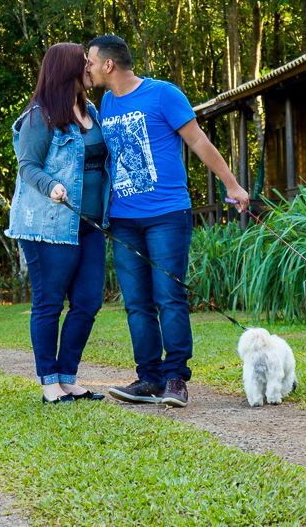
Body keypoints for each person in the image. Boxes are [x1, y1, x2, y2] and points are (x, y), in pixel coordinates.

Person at [85, 34, 249, 407]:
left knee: (169, 297)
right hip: (123, 219)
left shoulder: (164, 94)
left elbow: (198, 141)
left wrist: (233, 185)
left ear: (108, 64)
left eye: (90, 62)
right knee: (136, 303)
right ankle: (149, 380)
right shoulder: (106, 103)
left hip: (166, 216)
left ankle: (176, 379)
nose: (88, 68)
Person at [6, 43, 112, 404]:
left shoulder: (91, 112)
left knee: (87, 303)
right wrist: (52, 185)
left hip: (90, 225)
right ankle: (49, 382)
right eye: (84, 63)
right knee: (49, 303)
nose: (90, 68)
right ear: (66, 70)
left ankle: (68, 378)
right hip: (48, 226)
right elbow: (28, 165)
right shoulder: (39, 116)